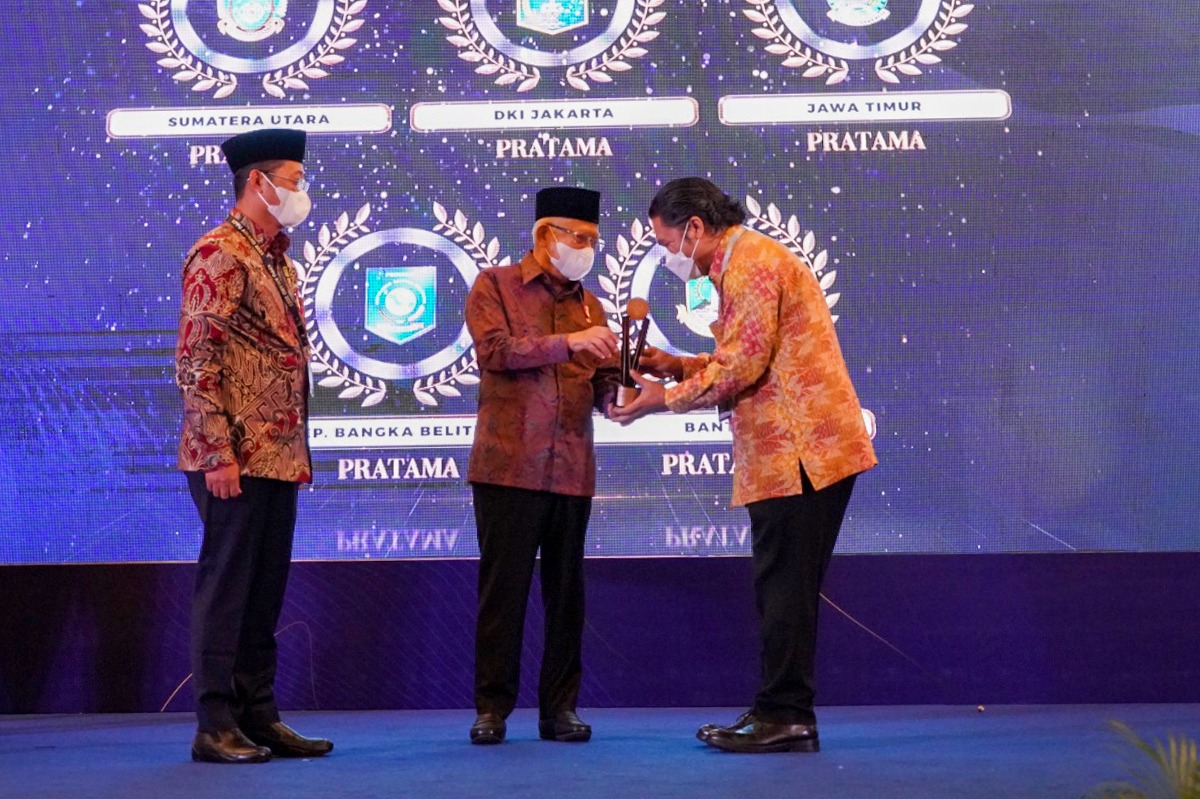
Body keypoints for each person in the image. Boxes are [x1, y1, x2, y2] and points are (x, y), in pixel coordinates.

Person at [609, 177, 877, 753]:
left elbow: (741, 367)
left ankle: (786, 716)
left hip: (799, 452)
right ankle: (780, 710)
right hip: (795, 452)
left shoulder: (749, 263)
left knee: (785, 591)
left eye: (666, 244)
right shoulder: (745, 259)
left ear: (695, 228)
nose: (668, 257)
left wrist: (662, 399)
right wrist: (677, 365)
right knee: (783, 588)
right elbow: (748, 355)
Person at [175, 128, 332, 764]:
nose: (302, 191)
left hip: (277, 456)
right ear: (258, 183)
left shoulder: (277, 259)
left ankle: (258, 715)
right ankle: (214, 723)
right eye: (294, 180)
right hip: (232, 457)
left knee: (264, 592)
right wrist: (217, 453)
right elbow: (196, 362)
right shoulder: (219, 253)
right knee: (228, 589)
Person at [464, 187, 620, 745]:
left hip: (572, 466)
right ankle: (492, 708)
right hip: (508, 465)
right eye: (577, 237)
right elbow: (495, 351)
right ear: (545, 235)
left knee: (567, 595)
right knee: (503, 592)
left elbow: (602, 376)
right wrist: (569, 343)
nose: (586, 249)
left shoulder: (592, 304)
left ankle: (561, 709)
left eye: (593, 240)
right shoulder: (495, 285)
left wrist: (615, 397)